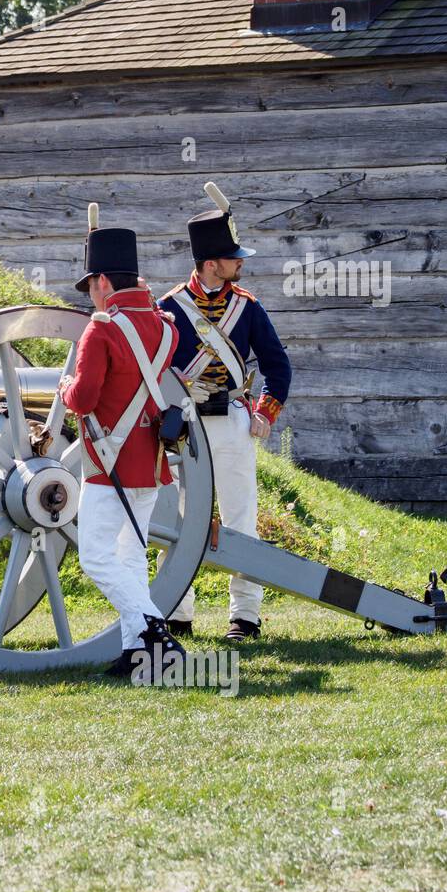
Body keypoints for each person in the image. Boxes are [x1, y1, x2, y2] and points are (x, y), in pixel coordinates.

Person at [158, 198, 291, 642]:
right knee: (178, 521)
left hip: (232, 419)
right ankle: (176, 611)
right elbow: (152, 368)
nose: (240, 263)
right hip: (184, 426)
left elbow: (277, 366)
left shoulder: (247, 307)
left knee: (241, 519)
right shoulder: (168, 308)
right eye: (233, 258)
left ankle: (245, 616)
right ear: (211, 264)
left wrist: (264, 412)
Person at [59, 220, 185, 676]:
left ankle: (153, 628)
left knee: (95, 558)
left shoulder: (101, 330)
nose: (91, 296)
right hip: (149, 462)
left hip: (108, 463)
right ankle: (140, 652)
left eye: (91, 286)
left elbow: (84, 399)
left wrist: (64, 388)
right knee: (131, 556)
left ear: (104, 282)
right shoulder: (166, 329)